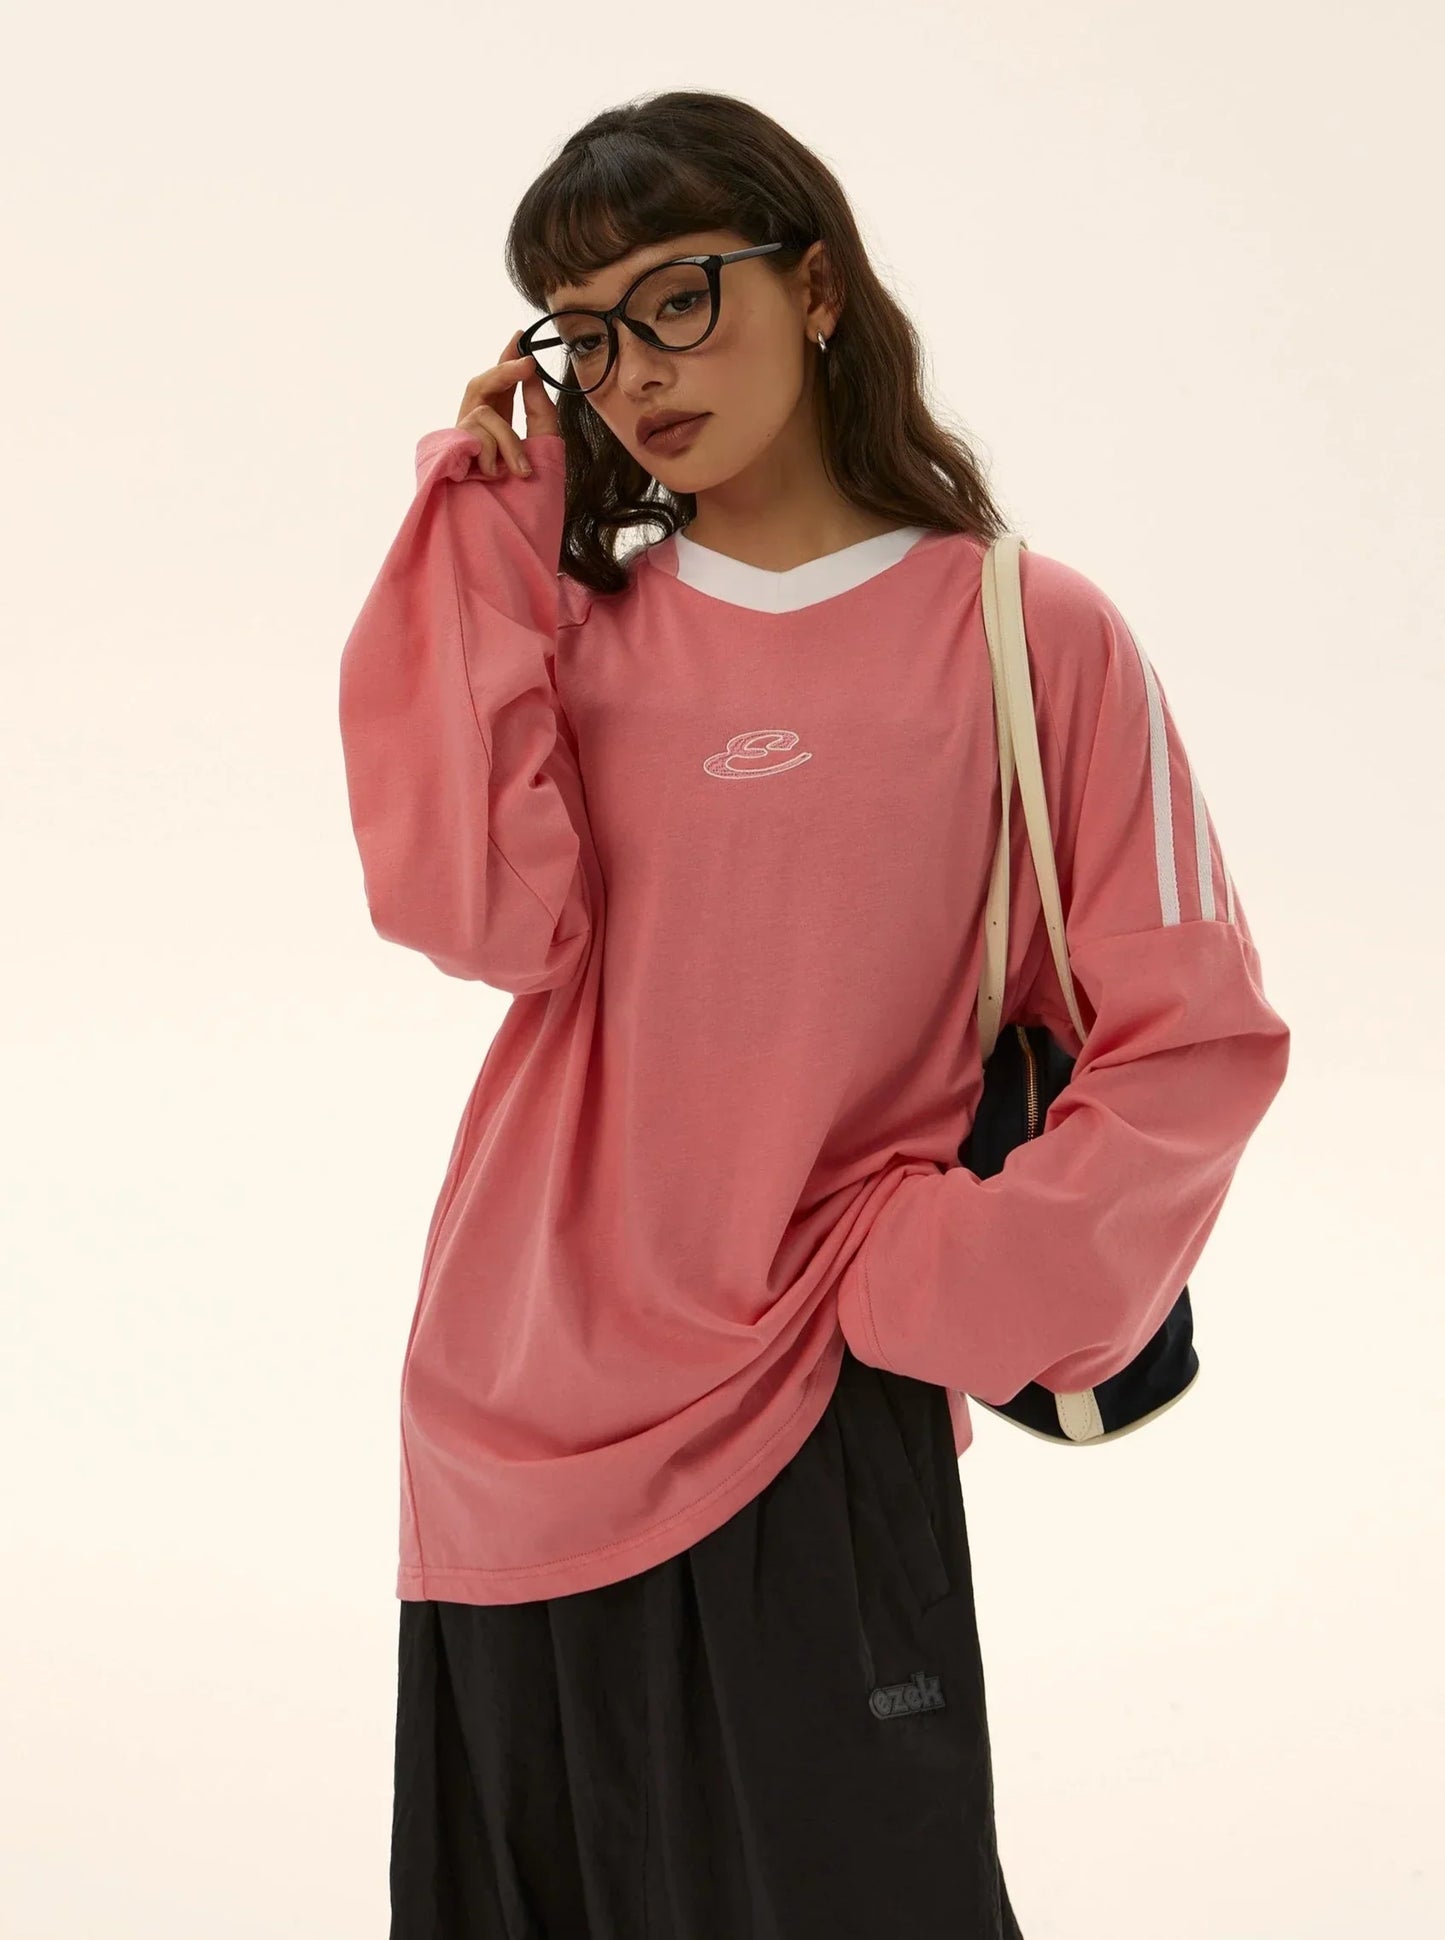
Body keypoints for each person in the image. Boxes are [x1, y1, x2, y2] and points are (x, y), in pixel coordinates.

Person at [338, 88, 1290, 1940]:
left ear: (820, 289)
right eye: (586, 333)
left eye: (677, 297)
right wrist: (487, 544)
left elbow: (1194, 1036)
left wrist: (960, 1275)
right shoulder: (580, 637)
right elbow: (473, 915)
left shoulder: (1025, 631)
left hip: (814, 1401)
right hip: (509, 1412)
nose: (635, 370)